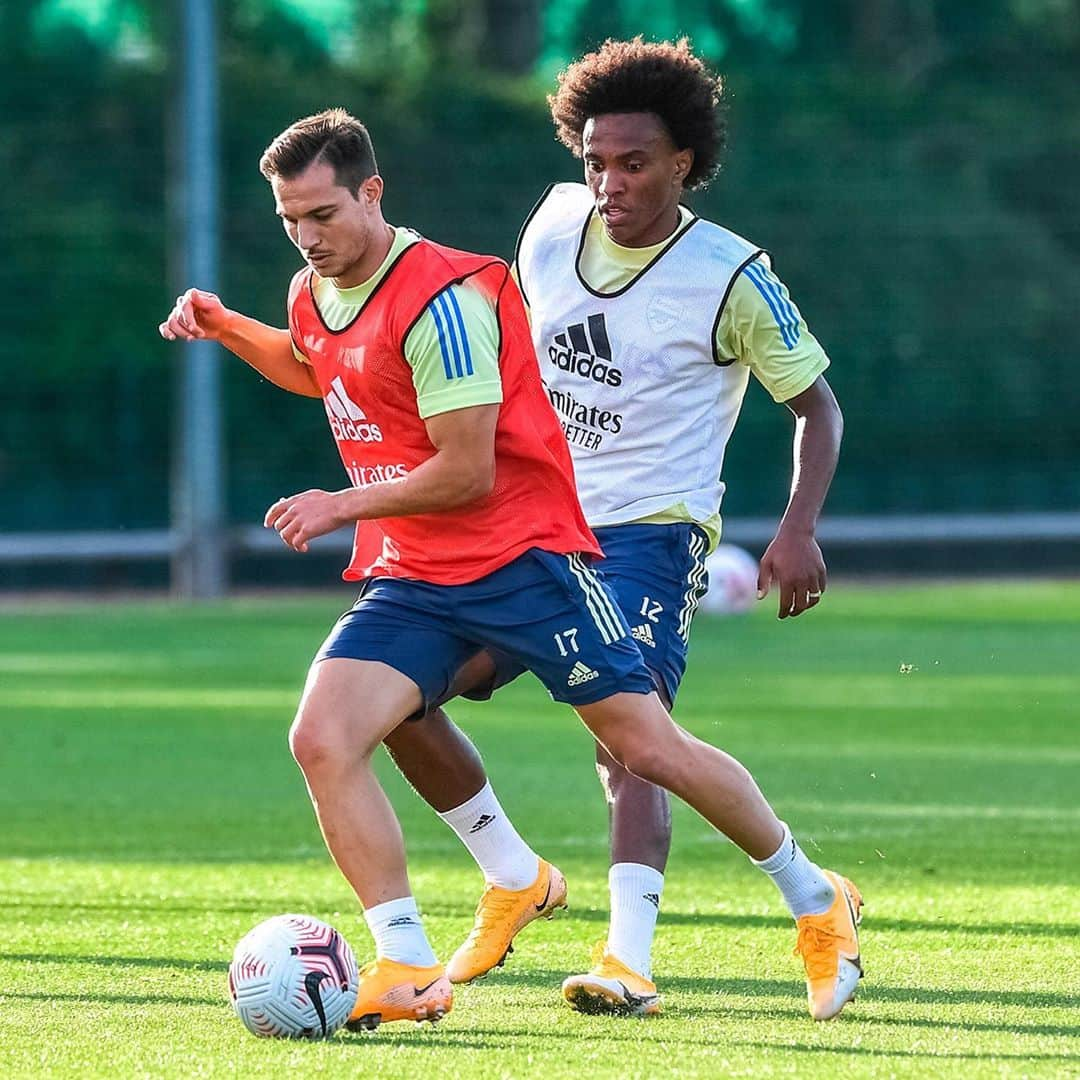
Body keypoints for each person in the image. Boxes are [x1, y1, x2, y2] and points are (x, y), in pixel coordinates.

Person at [158, 106, 859, 1031]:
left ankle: (814, 895)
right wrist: (230, 328)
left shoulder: (443, 300)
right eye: (290, 219)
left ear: (373, 192)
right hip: (418, 573)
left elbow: (467, 470)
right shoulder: (311, 288)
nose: (307, 236)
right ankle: (408, 962)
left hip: (523, 561)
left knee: (645, 748)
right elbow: (315, 364)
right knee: (325, 736)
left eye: (323, 215)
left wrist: (339, 505)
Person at [379, 37, 853, 1020]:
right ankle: (513, 876)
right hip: (520, 522)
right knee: (390, 697)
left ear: (685, 160)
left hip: (649, 532)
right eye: (594, 159)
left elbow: (819, 408)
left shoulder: (732, 275)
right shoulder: (551, 226)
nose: (608, 182)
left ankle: (628, 960)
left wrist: (798, 529)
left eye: (633, 163)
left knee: (629, 739)